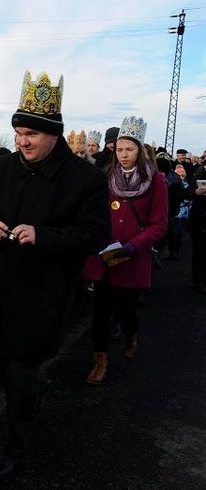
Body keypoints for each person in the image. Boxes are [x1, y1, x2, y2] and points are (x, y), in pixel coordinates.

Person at [0, 71, 110, 479]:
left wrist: (43, 236)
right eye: (18, 133)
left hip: (46, 289)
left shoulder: (85, 178)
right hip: (1, 283)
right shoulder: (4, 169)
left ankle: (12, 448)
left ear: (54, 134)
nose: (22, 141)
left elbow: (97, 232)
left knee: (20, 369)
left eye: (30, 134)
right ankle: (32, 391)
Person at [83, 116, 168, 385]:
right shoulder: (107, 176)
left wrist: (133, 246)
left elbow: (159, 224)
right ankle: (100, 360)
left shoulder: (156, 181)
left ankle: (131, 334)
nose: (123, 155)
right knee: (99, 311)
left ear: (139, 150)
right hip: (105, 256)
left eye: (129, 150)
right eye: (119, 150)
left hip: (132, 257)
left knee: (126, 311)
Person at [187, 164, 206, 294]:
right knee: (198, 251)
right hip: (199, 218)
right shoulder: (198, 173)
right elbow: (187, 191)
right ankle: (197, 280)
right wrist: (195, 192)